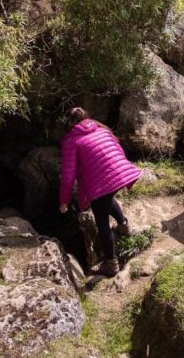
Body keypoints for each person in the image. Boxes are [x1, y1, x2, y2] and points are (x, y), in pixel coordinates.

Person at [59, 107, 142, 277]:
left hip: (101, 181)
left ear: (68, 124)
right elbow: (118, 150)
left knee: (102, 223)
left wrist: (64, 201)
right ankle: (123, 226)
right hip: (119, 172)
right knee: (107, 199)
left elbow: (68, 176)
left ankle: (111, 264)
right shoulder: (102, 130)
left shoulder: (71, 141)